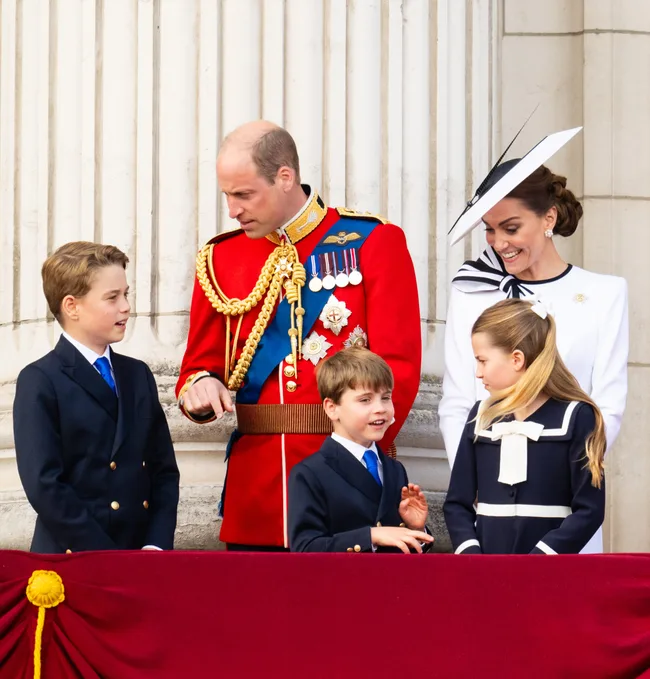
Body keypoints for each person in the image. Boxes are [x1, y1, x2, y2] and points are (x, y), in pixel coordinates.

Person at [176, 120, 421, 551]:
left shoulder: (372, 241)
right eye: (227, 196)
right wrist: (201, 384)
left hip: (344, 484)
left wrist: (356, 462)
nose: (233, 210)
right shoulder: (220, 258)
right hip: (257, 493)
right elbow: (198, 365)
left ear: (285, 177)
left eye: (244, 194)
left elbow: (398, 368)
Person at [440, 136, 628, 553]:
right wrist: (476, 480)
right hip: (489, 513)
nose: (498, 242)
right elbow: (456, 403)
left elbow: (607, 407)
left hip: (565, 511)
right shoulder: (471, 292)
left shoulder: (604, 294)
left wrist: (560, 478)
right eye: (489, 230)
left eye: (511, 228)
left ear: (548, 217)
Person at [13, 242, 180, 554]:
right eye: (112, 297)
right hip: (75, 559)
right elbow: (45, 484)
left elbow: (163, 470)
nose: (126, 306)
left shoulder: (137, 375)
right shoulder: (41, 379)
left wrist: (155, 546)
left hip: (140, 558)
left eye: (126, 294)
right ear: (72, 306)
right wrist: (105, 557)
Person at [443, 298, 606, 555]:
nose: (477, 372)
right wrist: (470, 555)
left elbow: (589, 510)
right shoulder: (480, 416)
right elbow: (456, 503)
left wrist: (542, 557)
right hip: (486, 571)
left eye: (482, 360)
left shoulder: (577, 417)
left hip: (550, 574)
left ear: (517, 359)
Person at [288, 348, 433, 553]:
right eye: (365, 400)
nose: (380, 408)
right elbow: (305, 547)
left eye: (385, 397)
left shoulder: (394, 469)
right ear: (332, 408)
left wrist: (415, 528)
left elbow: (399, 549)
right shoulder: (310, 473)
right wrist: (371, 536)